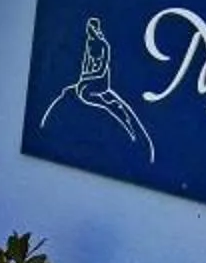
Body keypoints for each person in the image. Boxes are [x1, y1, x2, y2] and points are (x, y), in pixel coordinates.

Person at [39, 16, 154, 159]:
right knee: (73, 92)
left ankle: (112, 108)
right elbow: (85, 66)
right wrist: (83, 80)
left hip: (100, 81)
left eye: (92, 28)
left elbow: (100, 70)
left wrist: (86, 80)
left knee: (87, 95)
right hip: (87, 79)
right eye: (89, 28)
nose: (90, 31)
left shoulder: (104, 45)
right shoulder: (89, 43)